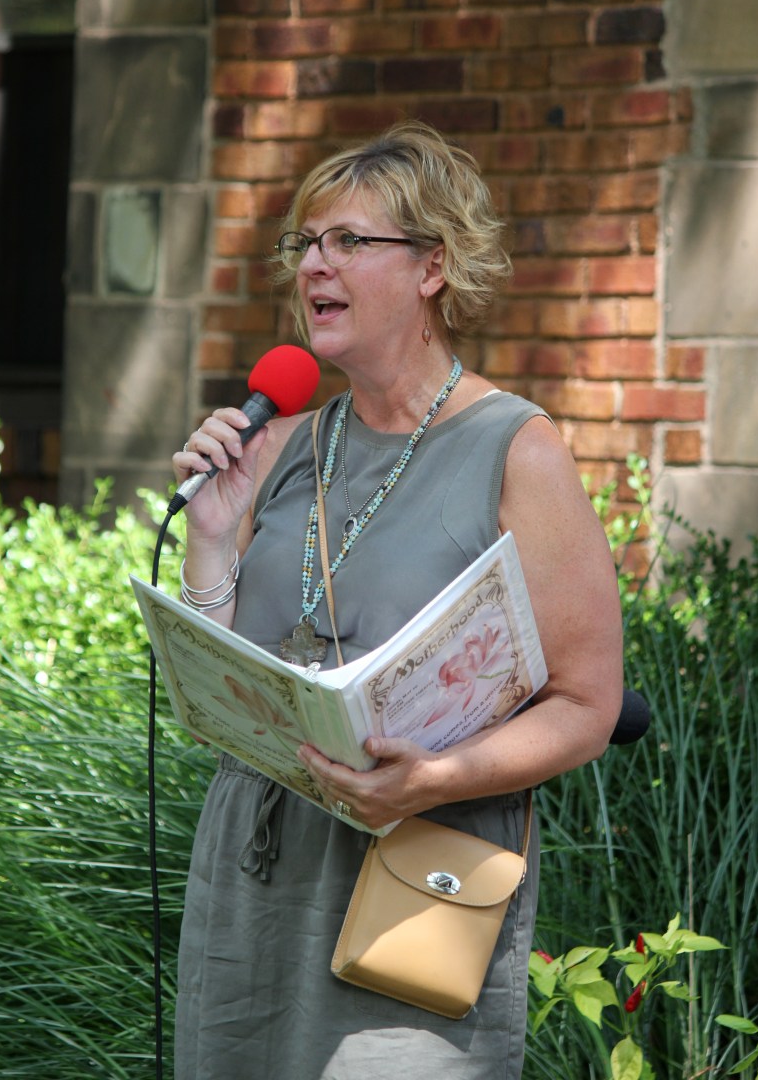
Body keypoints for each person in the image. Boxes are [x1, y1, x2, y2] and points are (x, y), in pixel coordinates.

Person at [172, 121, 624, 1079]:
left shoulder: (518, 449)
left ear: (434, 266)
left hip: (416, 870)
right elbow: (221, 692)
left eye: (349, 241)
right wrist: (211, 534)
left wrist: (436, 778)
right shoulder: (281, 444)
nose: (314, 265)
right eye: (306, 243)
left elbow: (589, 705)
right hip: (256, 870)